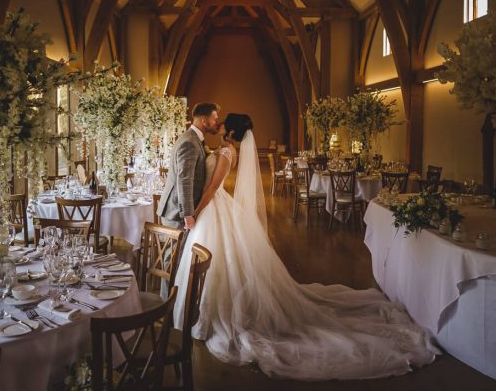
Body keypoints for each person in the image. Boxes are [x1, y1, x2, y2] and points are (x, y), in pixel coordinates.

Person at [172, 113, 438, 381]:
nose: (217, 124)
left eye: (221, 122)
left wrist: (193, 212)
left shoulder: (228, 153)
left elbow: (213, 188)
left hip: (211, 208)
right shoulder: (224, 149)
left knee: (223, 262)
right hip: (215, 211)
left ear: (229, 131)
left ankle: (207, 313)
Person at [157, 102, 220, 295]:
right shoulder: (189, 142)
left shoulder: (194, 139)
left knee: (177, 259)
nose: (216, 122)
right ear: (204, 120)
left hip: (178, 210)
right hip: (176, 211)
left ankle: (172, 304)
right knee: (171, 260)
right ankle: (164, 306)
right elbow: (185, 180)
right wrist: (188, 214)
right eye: (214, 118)